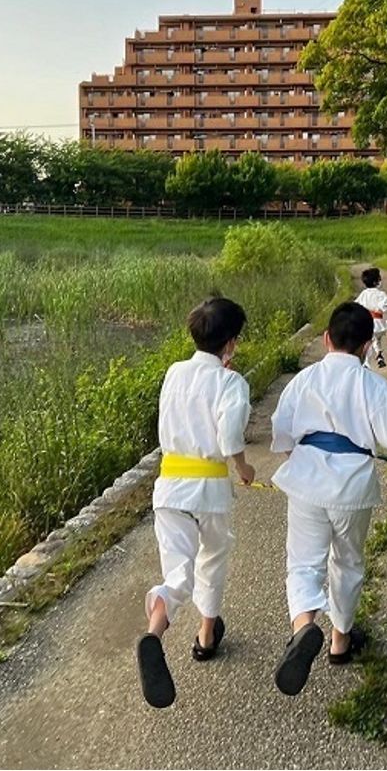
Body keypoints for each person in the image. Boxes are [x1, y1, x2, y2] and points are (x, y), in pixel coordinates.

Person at [269, 302, 387, 696]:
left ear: (326, 339)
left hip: (308, 480)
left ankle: (303, 627)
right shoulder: (372, 385)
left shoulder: (304, 379)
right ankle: (339, 642)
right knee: (347, 561)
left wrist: (298, 455)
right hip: (352, 487)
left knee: (304, 563)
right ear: (365, 346)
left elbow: (281, 429)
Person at [137, 297, 257, 709]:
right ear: (232, 343)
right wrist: (243, 468)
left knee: (177, 575)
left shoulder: (173, 373)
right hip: (209, 490)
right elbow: (229, 439)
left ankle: (154, 633)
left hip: (170, 486)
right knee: (211, 562)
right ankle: (206, 637)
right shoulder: (231, 384)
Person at [353, 267, 387, 369]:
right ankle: (379, 355)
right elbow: (384, 307)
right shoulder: (381, 294)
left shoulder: (363, 294)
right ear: (376, 282)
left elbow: (356, 305)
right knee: (376, 340)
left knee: (368, 342)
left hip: (367, 322)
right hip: (379, 323)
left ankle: (367, 362)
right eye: (379, 279)